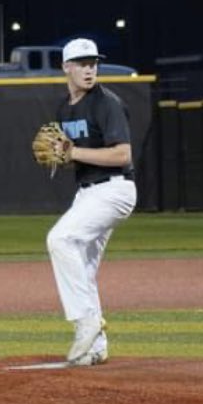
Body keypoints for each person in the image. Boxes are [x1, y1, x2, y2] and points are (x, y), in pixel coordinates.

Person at [46, 38, 137, 366]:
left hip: (115, 190)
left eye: (93, 63)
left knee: (59, 239)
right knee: (82, 267)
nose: (89, 69)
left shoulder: (106, 102)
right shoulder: (63, 108)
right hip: (88, 192)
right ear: (66, 68)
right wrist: (60, 155)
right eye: (82, 63)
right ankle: (97, 346)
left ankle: (86, 321)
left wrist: (73, 152)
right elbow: (69, 152)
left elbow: (122, 154)